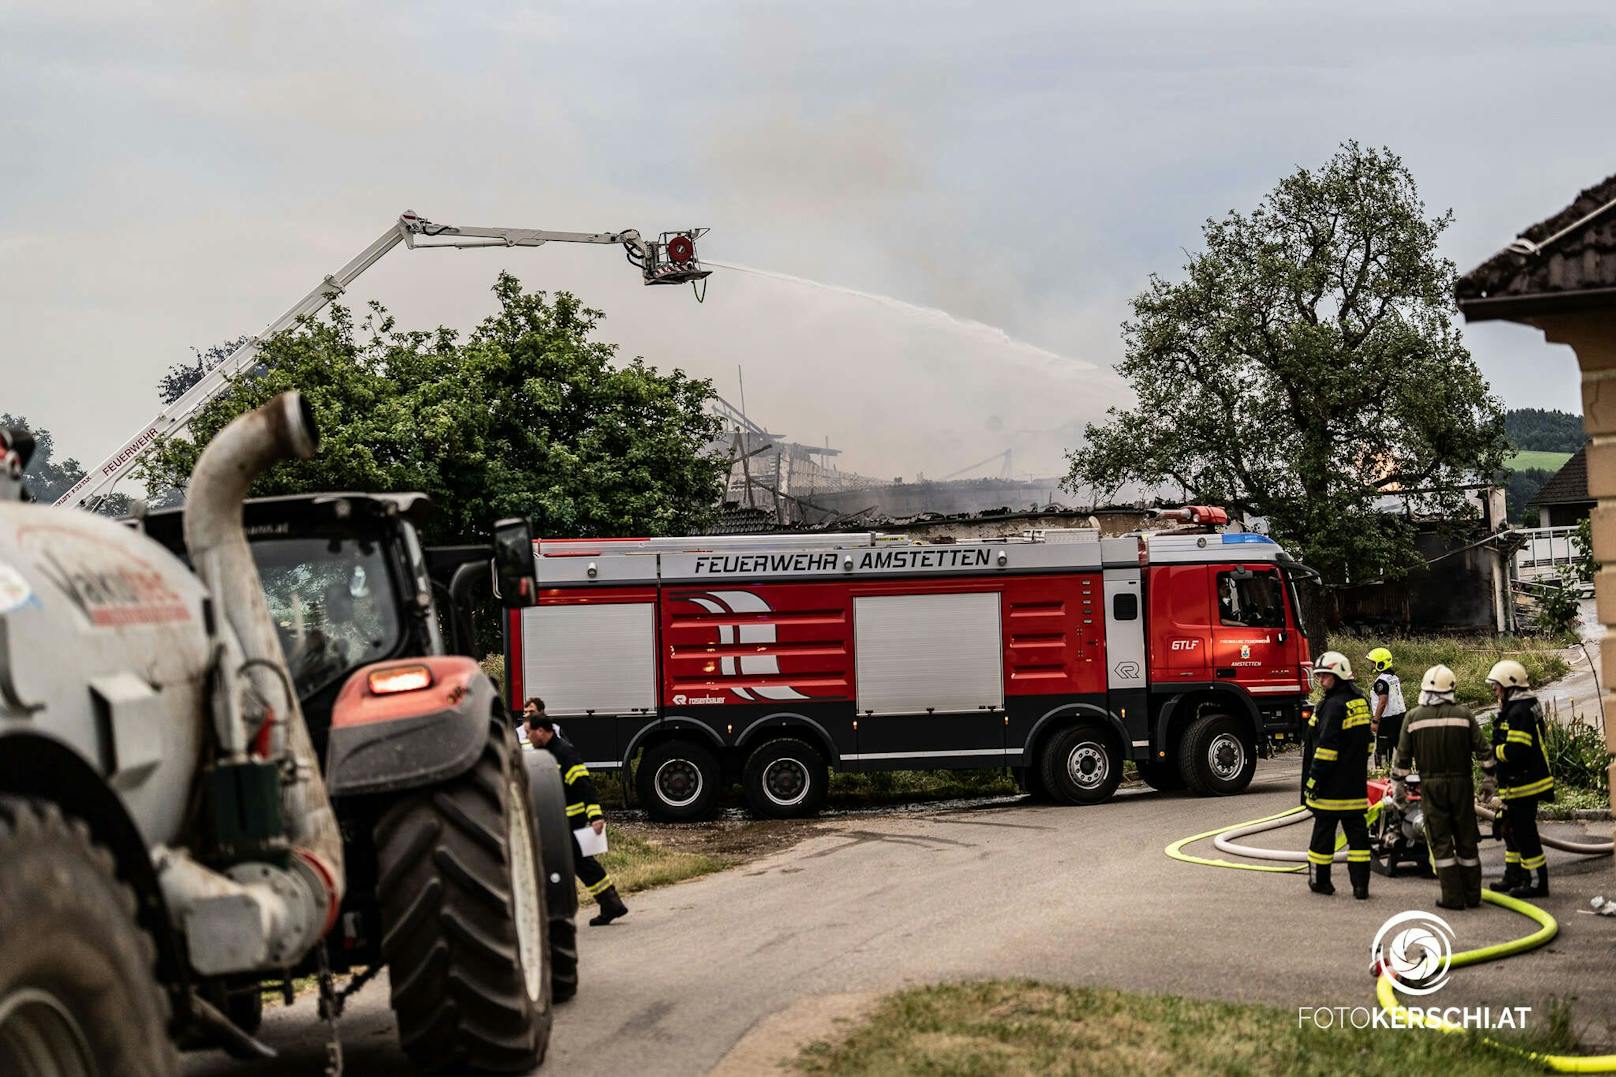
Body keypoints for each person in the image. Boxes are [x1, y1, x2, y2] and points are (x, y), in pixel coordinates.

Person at [1391, 665, 1495, 910]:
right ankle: (1472, 895)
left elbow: (1402, 760)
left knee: (1441, 840)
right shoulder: (1464, 715)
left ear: (1425, 689)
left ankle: (1452, 897)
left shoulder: (1413, 717)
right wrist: (1489, 780)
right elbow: (1485, 753)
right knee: (1466, 839)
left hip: (1432, 786)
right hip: (1462, 785)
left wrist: (1398, 788)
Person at [522, 697, 629, 926]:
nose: (528, 738)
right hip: (559, 821)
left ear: (542, 731)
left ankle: (604, 904)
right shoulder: (546, 753)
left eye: (530, 733)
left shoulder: (563, 753)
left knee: (576, 863)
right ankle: (610, 903)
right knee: (581, 864)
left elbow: (584, 786)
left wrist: (596, 816)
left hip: (571, 821)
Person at [1301, 651, 1374, 899]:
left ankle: (1322, 882)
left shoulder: (1333, 706)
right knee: (1358, 838)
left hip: (1330, 789)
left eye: (1325, 676)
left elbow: (1325, 751)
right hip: (1354, 787)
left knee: (1323, 836)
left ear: (1339, 675)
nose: (1321, 681)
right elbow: (1369, 745)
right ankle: (1361, 887)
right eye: (1319, 676)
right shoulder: (1360, 701)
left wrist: (1313, 781)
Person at [1486, 661, 1555, 898]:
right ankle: (1513, 875)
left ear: (1509, 685)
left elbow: (1517, 750)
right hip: (1516, 783)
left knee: (1525, 834)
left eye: (1497, 687)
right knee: (1509, 829)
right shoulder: (1519, 707)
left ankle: (1536, 882)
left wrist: (1494, 752)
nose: (1495, 691)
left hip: (1524, 784)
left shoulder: (1519, 712)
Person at [1366, 647, 1406, 770]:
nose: (1371, 665)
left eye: (1373, 662)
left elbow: (1382, 702)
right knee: (1402, 749)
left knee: (1382, 754)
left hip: (1387, 721)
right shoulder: (1393, 677)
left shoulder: (1381, 682)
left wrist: (1375, 721)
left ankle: (1382, 777)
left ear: (1380, 663)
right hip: (1400, 717)